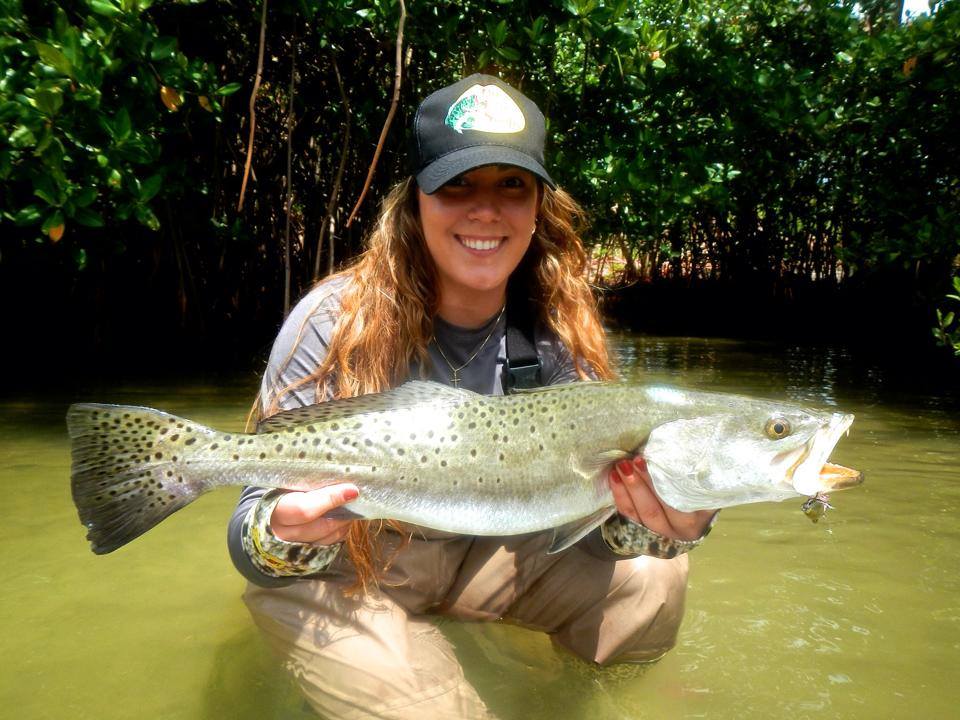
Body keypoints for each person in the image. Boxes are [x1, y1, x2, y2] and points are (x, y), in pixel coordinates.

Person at [227, 73, 717, 719]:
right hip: (352, 564)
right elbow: (249, 543)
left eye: (511, 185)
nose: (485, 210)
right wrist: (282, 533)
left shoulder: (560, 331)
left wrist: (659, 525)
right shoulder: (330, 323)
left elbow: (593, 536)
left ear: (539, 204)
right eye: (458, 183)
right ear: (416, 201)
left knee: (656, 578)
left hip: (496, 551)